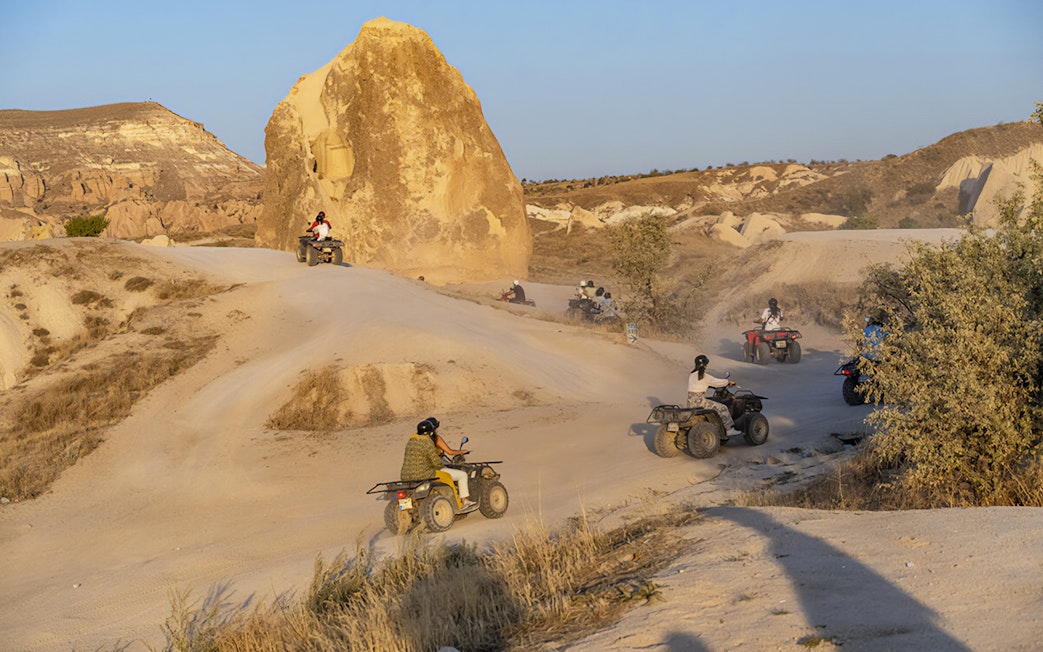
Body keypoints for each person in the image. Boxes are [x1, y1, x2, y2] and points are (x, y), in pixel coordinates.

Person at [400, 416, 474, 508]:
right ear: (431, 432)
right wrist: (442, 467)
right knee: (459, 475)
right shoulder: (428, 442)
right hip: (425, 474)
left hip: (405, 475)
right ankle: (461, 503)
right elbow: (436, 461)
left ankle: (404, 507)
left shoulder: (411, 441)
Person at [687, 354, 735, 430]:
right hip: (700, 402)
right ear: (705, 365)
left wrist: (709, 386)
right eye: (706, 364)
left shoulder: (692, 375)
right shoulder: (704, 376)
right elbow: (716, 382)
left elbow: (698, 385)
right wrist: (728, 382)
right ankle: (729, 429)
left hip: (690, 402)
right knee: (723, 408)